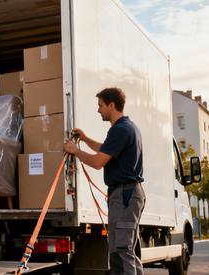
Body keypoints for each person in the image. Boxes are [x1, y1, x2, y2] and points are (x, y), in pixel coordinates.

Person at [63, 87, 144, 275]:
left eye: (100, 105)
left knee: (121, 251)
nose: (98, 109)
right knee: (124, 250)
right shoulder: (125, 127)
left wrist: (75, 151)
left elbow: (98, 162)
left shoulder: (121, 130)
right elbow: (105, 149)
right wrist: (85, 139)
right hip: (126, 195)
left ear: (112, 105)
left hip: (125, 196)